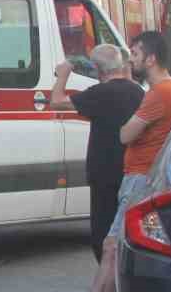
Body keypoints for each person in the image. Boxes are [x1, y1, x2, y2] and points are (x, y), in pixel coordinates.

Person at [44, 30, 171, 292]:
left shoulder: (159, 93)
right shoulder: (147, 91)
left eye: (135, 54)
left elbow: (125, 134)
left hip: (137, 178)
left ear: (149, 58)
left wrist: (63, 75)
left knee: (111, 245)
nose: (130, 59)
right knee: (115, 245)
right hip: (138, 176)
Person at [49, 44, 144, 264]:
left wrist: (63, 76)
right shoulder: (137, 91)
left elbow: (57, 101)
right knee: (127, 231)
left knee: (102, 235)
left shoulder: (100, 93)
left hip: (104, 173)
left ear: (98, 70)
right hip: (132, 171)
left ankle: (109, 286)